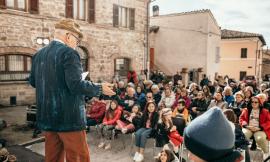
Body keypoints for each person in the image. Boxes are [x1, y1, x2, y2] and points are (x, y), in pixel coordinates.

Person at [29, 19, 115, 162]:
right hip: (69, 119)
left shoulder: (39, 55)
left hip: (47, 117)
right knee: (78, 158)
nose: (77, 44)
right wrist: (100, 88)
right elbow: (75, 85)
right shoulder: (69, 53)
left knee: (53, 158)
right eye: (77, 40)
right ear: (69, 36)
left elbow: (33, 82)